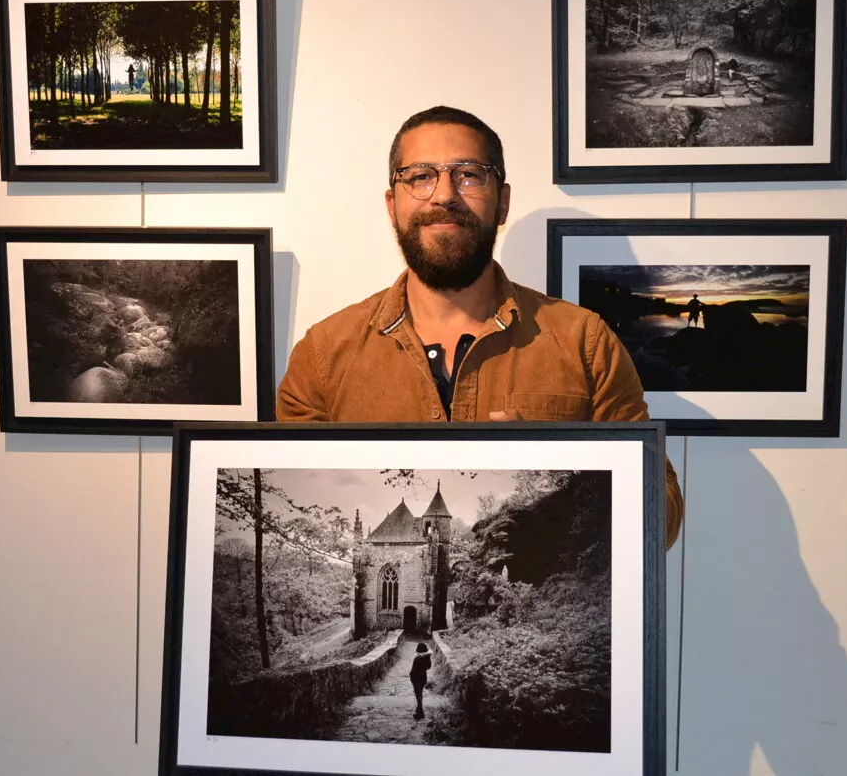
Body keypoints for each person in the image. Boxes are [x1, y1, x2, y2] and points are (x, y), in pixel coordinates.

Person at [276, 106, 684, 548]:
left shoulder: (585, 341)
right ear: (392, 205)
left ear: (502, 201)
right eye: (419, 176)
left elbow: (662, 520)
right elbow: (289, 495)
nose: (444, 195)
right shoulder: (323, 354)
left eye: (469, 174)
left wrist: (556, 463)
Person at [409, 642, 432, 718]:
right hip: (423, 679)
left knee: (418, 695)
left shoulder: (417, 659)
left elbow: (413, 670)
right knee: (420, 694)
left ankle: (421, 712)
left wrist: (411, 676)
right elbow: (429, 667)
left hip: (416, 678)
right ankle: (419, 710)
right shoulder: (427, 658)